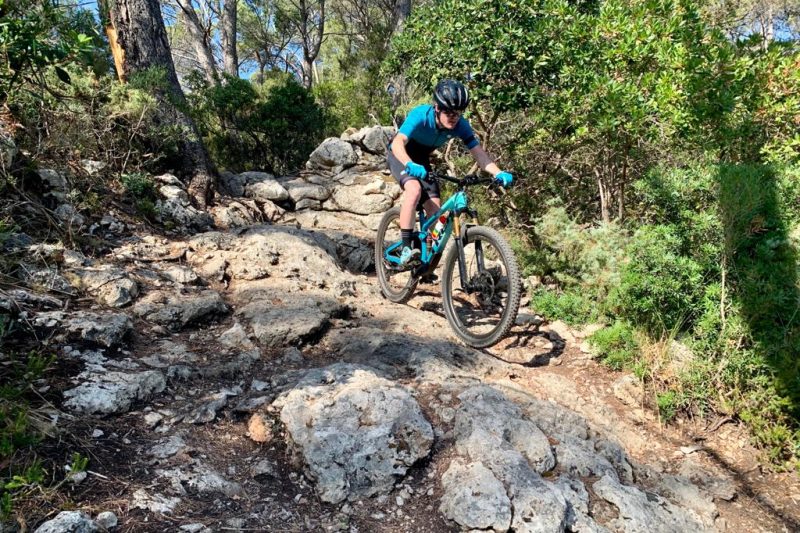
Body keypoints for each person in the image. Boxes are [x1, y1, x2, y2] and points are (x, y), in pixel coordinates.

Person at [387, 79, 513, 267]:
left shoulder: (461, 125)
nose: (453, 117)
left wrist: (498, 172)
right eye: (448, 111)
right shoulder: (421, 115)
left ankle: (424, 260)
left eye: (457, 112)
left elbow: (479, 153)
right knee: (413, 190)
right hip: (400, 155)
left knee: (435, 214)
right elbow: (398, 142)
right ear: (437, 107)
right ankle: (406, 249)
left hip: (422, 160)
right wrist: (408, 163)